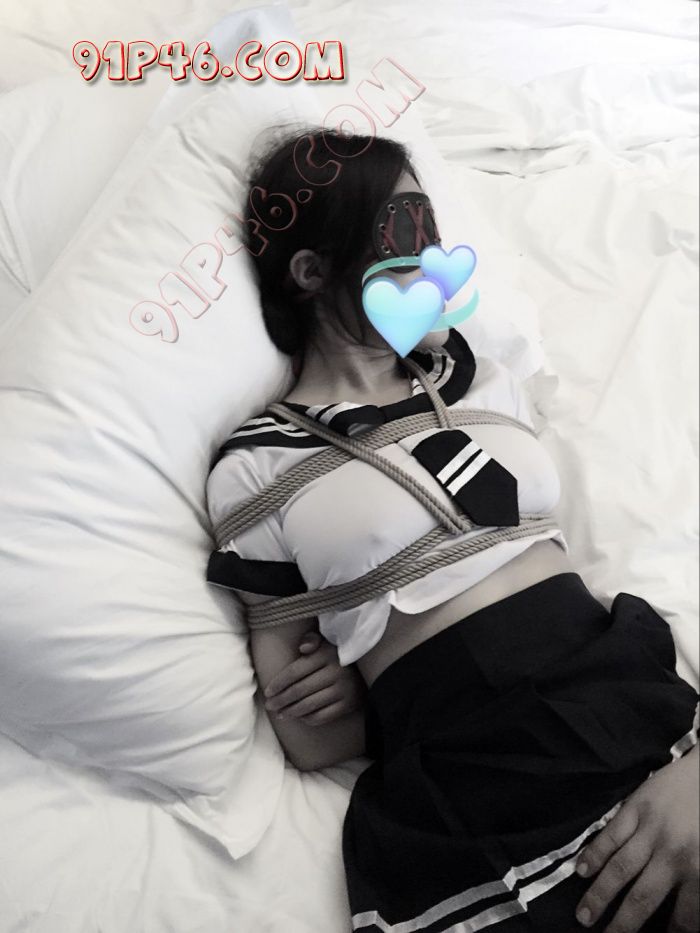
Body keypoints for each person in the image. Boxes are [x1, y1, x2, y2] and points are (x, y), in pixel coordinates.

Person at [206, 126, 699, 933]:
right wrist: (359, 687)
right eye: (404, 233)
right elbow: (306, 731)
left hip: (621, 694)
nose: (435, 259)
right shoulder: (259, 464)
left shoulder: (480, 380)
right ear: (311, 271)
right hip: (472, 768)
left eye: (433, 230)